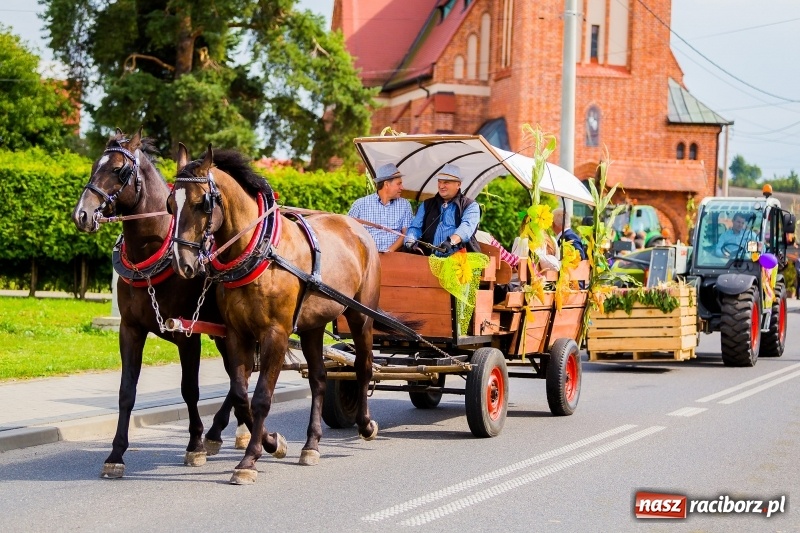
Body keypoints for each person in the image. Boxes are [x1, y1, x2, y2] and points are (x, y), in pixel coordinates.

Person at [403, 163, 481, 257]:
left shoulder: (471, 206)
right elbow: (415, 227)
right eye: (439, 182)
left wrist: (451, 242)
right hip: (427, 258)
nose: (441, 186)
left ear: (458, 184)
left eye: (446, 182)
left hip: (459, 260)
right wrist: (410, 240)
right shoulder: (426, 204)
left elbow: (466, 228)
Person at [348, 163, 413, 252]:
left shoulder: (405, 205)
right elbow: (348, 231)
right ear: (386, 184)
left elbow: (406, 233)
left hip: (394, 257)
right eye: (399, 184)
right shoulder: (360, 204)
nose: (402, 187)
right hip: (366, 258)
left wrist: (389, 251)